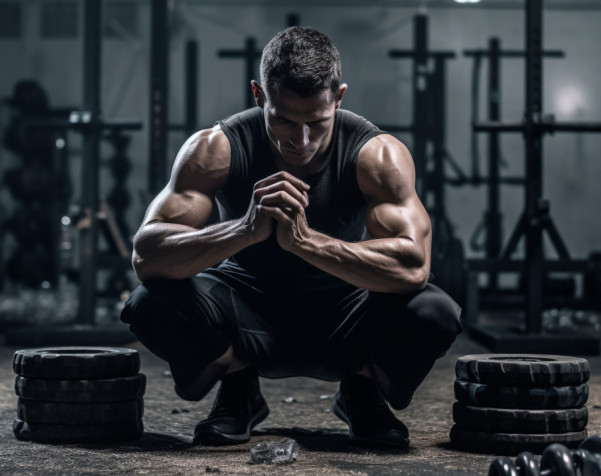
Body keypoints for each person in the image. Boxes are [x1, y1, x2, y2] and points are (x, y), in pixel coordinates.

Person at [122, 26, 462, 449]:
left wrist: (306, 242)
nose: (300, 141)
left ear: (338, 97)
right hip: (244, 309)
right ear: (258, 94)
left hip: (345, 312)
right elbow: (147, 255)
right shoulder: (215, 148)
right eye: (283, 120)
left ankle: (361, 390)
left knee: (434, 311)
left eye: (316, 123)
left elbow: (413, 267)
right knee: (149, 304)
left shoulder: (377, 155)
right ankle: (238, 388)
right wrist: (243, 229)